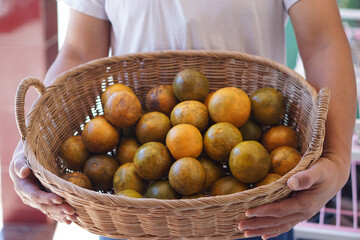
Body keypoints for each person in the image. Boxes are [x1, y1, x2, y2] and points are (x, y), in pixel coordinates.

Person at [9, 0, 357, 240]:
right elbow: (80, 51)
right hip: (134, 203)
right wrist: (33, 144)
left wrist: (338, 159)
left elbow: (323, 40)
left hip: (257, 198)